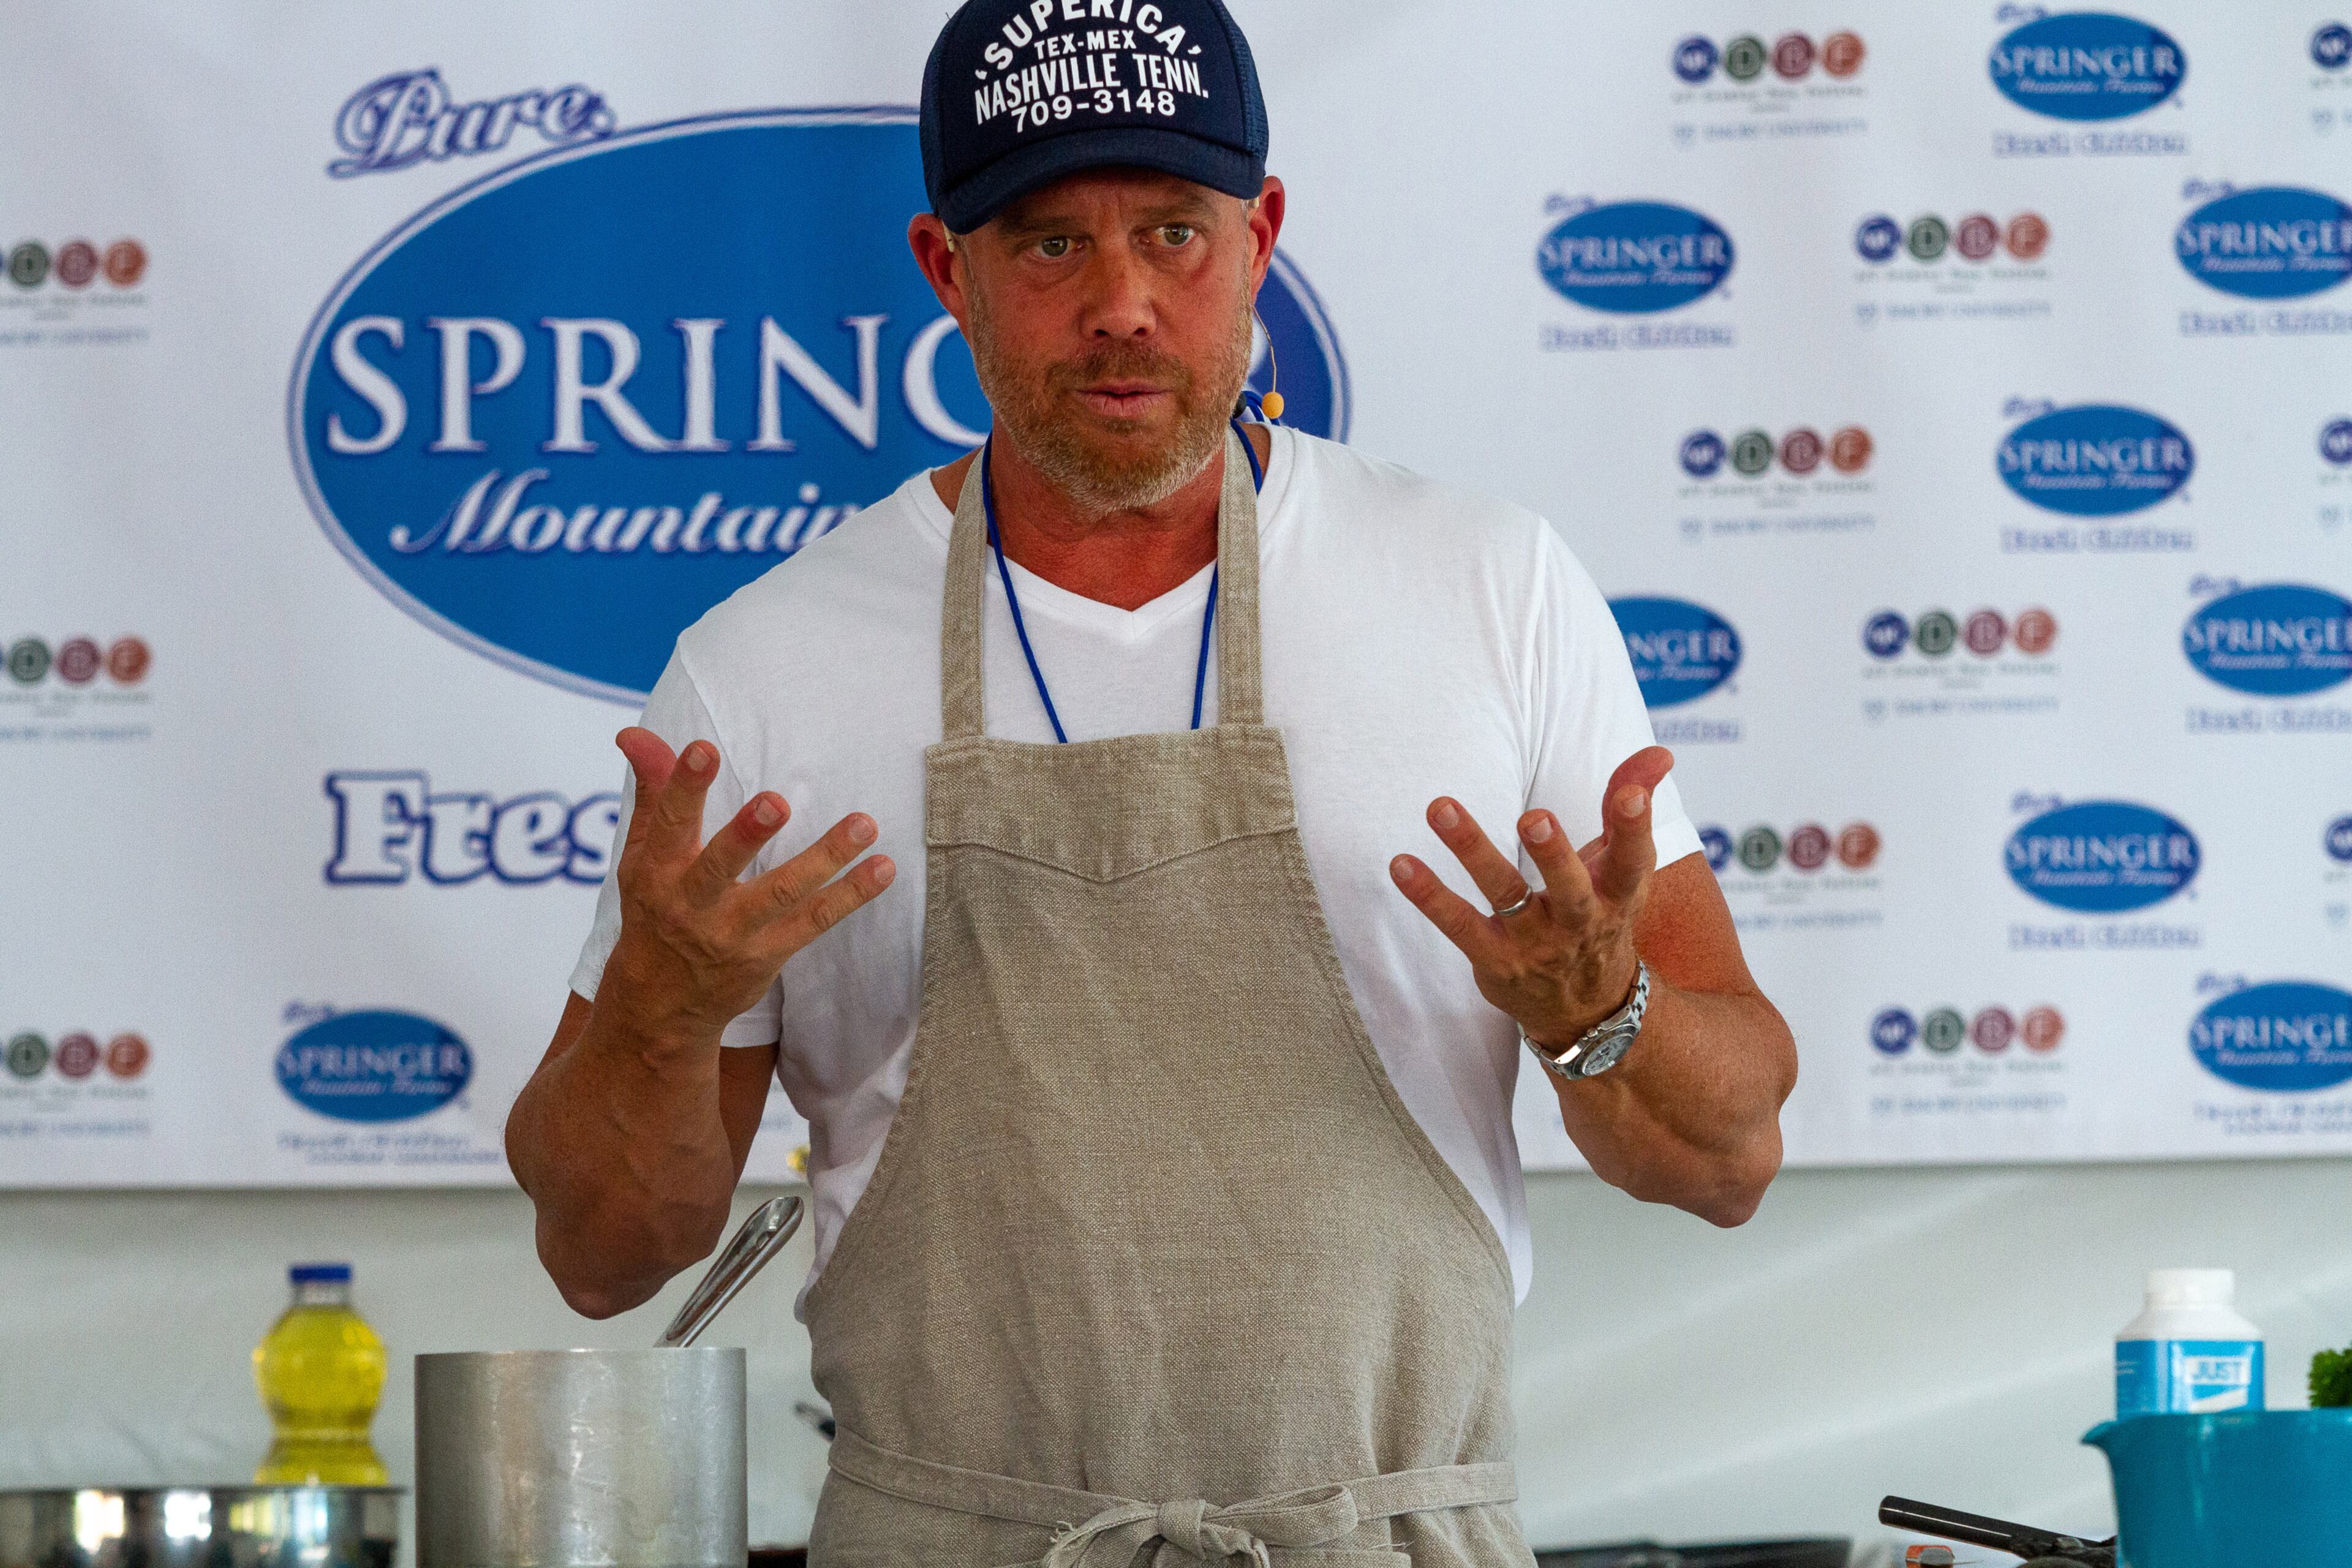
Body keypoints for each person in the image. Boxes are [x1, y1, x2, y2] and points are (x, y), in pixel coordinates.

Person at [507, 1, 1796, 1559]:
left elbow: (1727, 1163)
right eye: (1050, 244)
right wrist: (656, 1012)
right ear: (947, 271)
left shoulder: (1488, 589)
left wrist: (1605, 1013)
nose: (1121, 304)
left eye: (1174, 233)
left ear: (1260, 240)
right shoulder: (762, 671)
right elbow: (603, 1255)